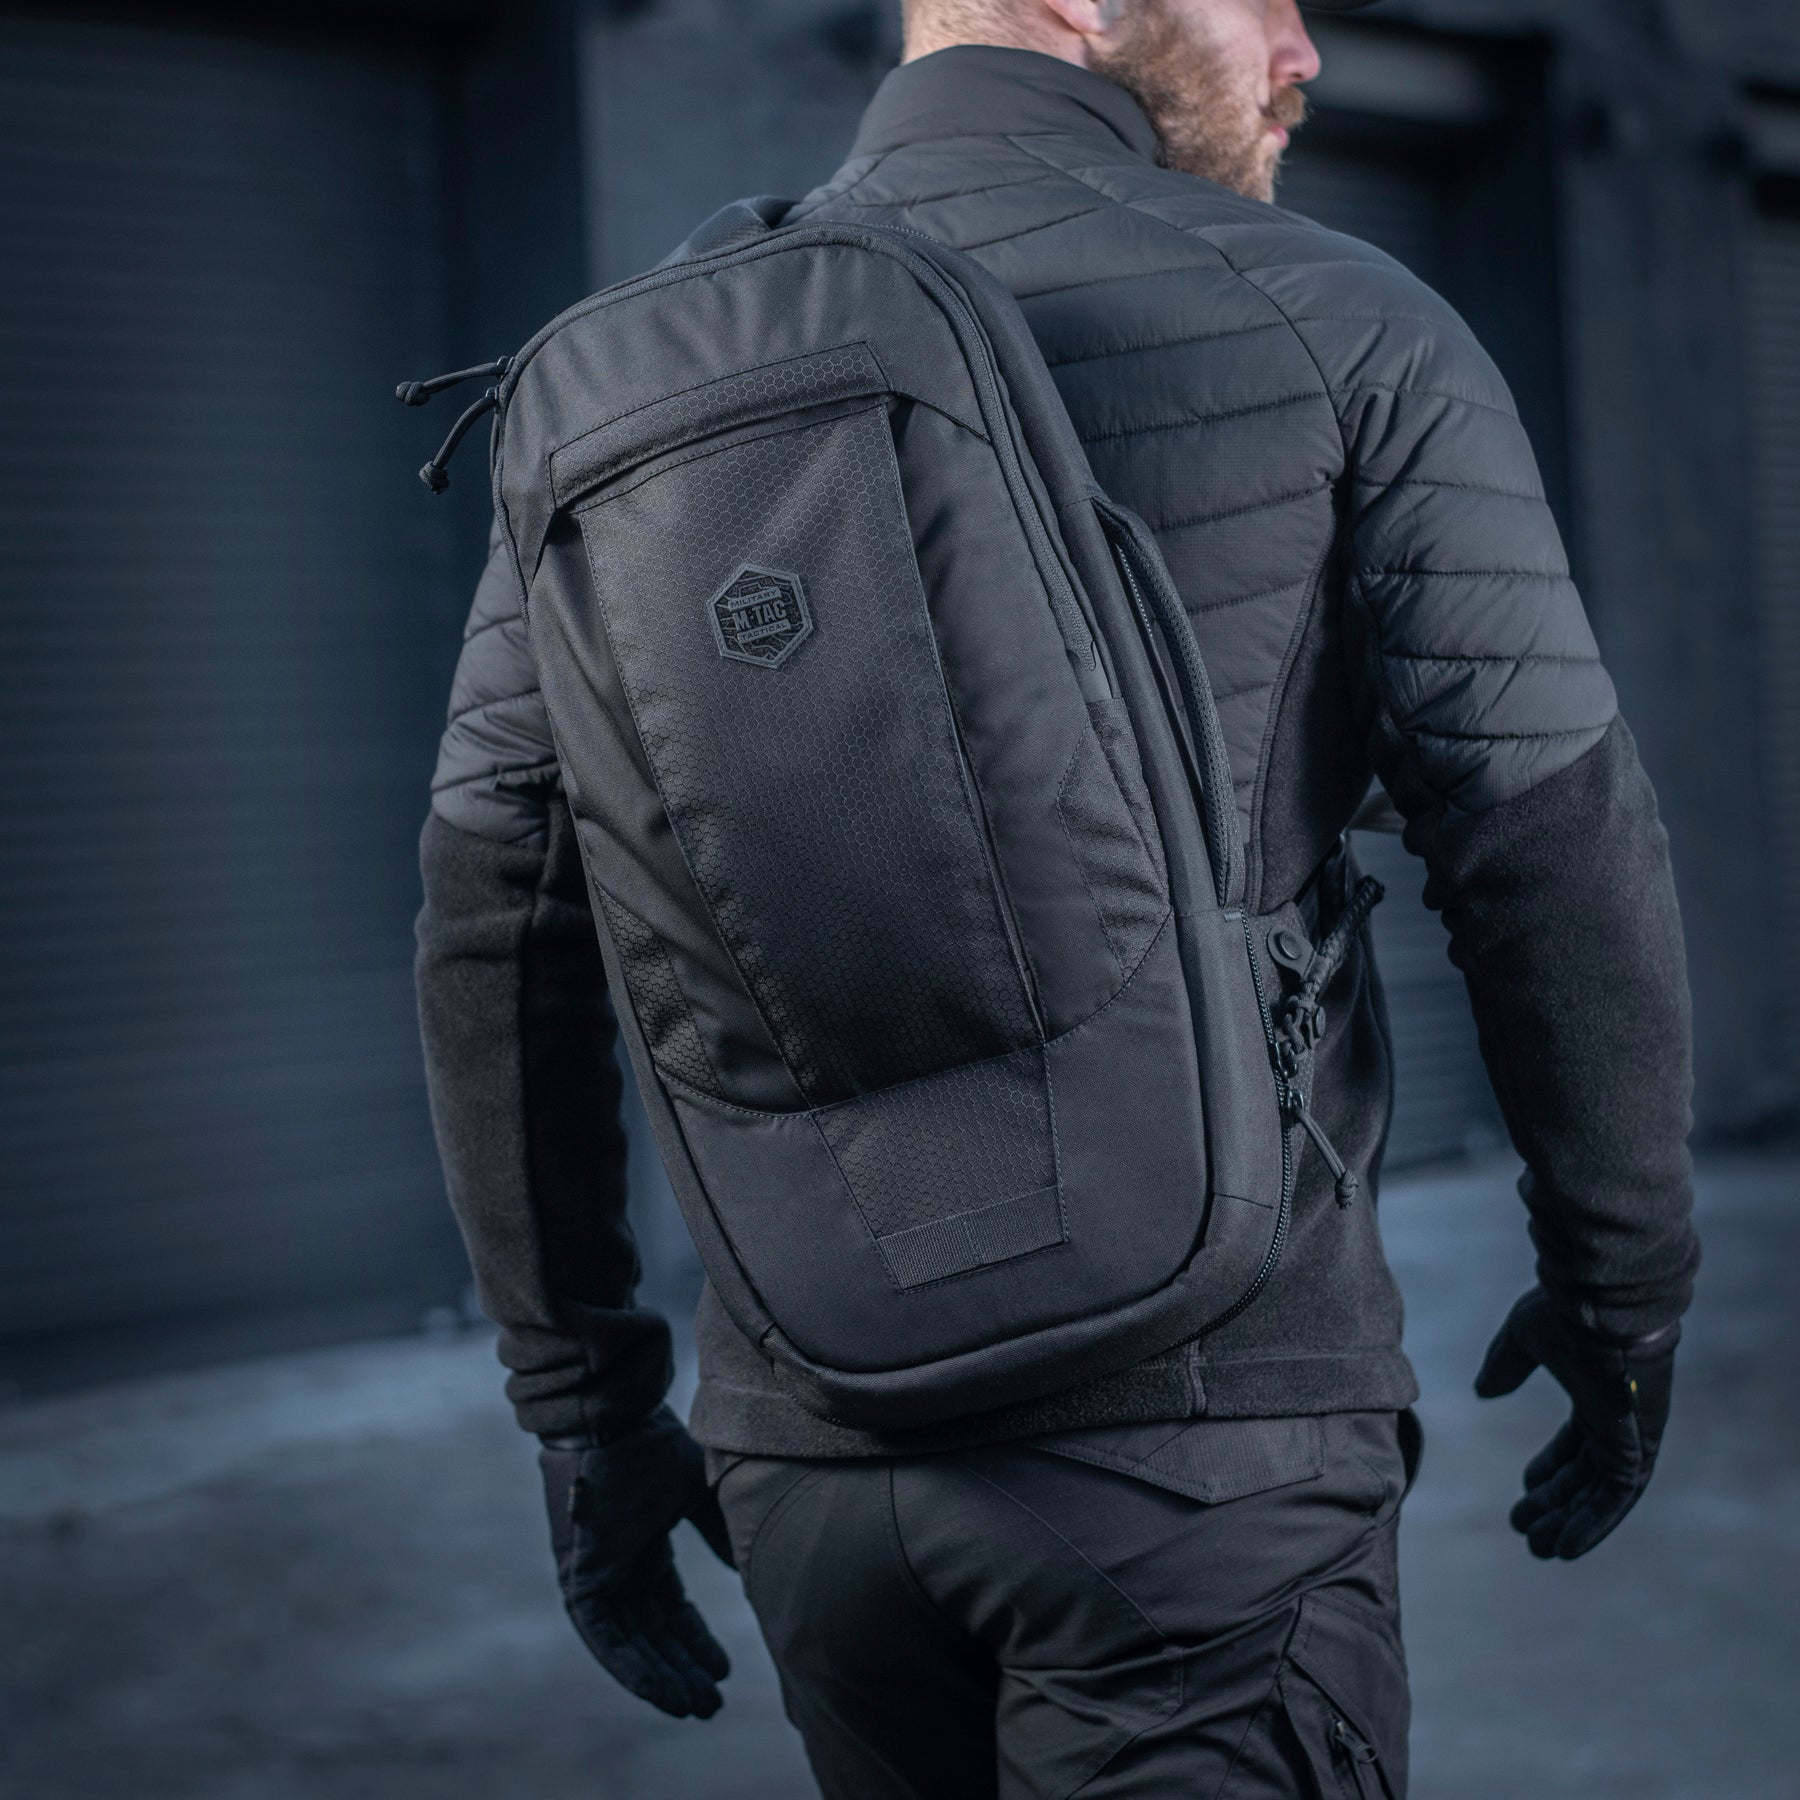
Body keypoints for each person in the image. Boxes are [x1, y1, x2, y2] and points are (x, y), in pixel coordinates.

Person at [414, 2, 1699, 1792]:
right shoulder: (1335, 314)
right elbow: (1548, 840)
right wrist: (1624, 1287)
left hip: (815, 1461)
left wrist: (588, 1418)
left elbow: (496, 921)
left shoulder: (625, 380)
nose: (1306, 51)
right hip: (1202, 1458)